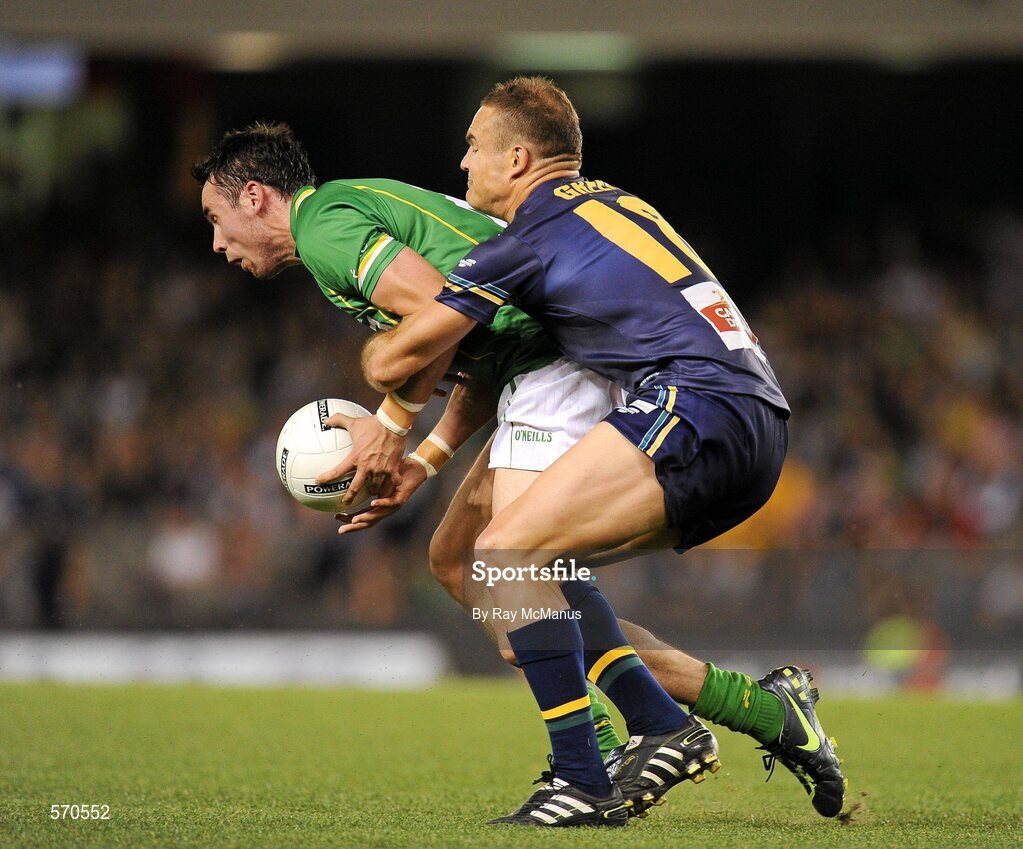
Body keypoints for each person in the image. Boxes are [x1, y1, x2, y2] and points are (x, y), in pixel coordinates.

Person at [360, 77, 846, 826]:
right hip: (752, 419)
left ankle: (586, 777)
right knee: (520, 566)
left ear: (517, 158)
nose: (461, 165)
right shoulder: (611, 203)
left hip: (694, 405)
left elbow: (403, 359)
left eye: (472, 147)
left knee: (505, 558)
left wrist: (374, 363)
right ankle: (755, 712)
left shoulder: (528, 238)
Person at [190, 123, 726, 787]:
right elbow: (471, 338)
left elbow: (444, 310)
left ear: (254, 197)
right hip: (535, 358)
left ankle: (608, 755)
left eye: (215, 220)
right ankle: (674, 722)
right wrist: (429, 453)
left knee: (512, 574)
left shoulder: (324, 225)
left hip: (558, 358)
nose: (216, 244)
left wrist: (392, 421)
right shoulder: (342, 220)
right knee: (459, 564)